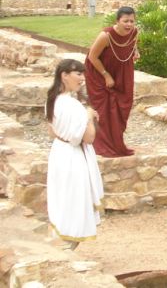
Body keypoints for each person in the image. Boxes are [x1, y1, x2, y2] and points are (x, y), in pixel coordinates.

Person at [46, 59, 104, 250]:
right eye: (78, 74)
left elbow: (52, 132)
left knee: (62, 198)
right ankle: (67, 247)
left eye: (83, 74)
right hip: (74, 158)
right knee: (76, 200)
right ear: (64, 75)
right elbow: (88, 138)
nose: (82, 78)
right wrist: (88, 117)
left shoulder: (52, 99)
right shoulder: (74, 106)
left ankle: (61, 240)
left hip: (59, 152)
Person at [84, 6, 140, 157]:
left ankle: (116, 143)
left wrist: (135, 52)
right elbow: (92, 57)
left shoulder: (134, 32)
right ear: (117, 21)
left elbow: (134, 45)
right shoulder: (106, 35)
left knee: (123, 106)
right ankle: (100, 144)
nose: (129, 24)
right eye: (125, 21)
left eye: (132, 21)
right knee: (105, 109)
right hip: (99, 72)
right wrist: (106, 75)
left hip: (122, 71)